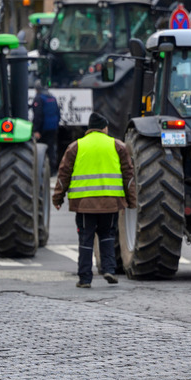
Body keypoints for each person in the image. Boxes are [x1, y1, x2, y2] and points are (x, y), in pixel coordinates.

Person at [53, 111, 137, 288]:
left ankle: (85, 279)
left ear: (89, 129)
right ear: (104, 128)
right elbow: (128, 176)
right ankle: (109, 270)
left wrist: (58, 198)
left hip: (84, 204)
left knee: (86, 238)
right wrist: (131, 201)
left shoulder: (76, 146)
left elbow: (63, 175)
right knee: (107, 235)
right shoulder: (118, 146)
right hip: (111, 203)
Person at [31, 80, 60, 173]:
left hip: (43, 128)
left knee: (41, 149)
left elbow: (38, 115)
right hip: (53, 127)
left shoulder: (39, 98)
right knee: (51, 148)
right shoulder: (52, 97)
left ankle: (42, 171)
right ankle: (53, 169)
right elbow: (58, 113)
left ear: (37, 89)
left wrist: (36, 130)